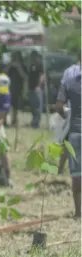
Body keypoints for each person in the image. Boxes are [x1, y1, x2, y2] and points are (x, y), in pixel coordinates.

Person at [55, 60, 81, 218]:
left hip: (76, 132)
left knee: (78, 175)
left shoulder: (69, 81)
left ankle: (79, 213)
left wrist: (67, 116)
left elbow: (59, 106)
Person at [5, 51, 27, 127]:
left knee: (15, 106)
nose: (15, 59)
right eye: (14, 57)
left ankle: (14, 121)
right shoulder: (10, 66)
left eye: (17, 57)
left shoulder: (23, 66)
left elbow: (24, 76)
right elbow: (4, 73)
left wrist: (18, 67)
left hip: (18, 88)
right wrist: (10, 65)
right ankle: (6, 120)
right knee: (7, 104)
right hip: (9, 87)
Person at [26, 50, 45, 129]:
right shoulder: (30, 65)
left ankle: (36, 123)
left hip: (37, 89)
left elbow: (42, 76)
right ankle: (34, 122)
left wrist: (38, 86)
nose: (32, 57)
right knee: (33, 107)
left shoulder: (39, 64)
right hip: (31, 88)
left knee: (37, 107)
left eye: (33, 56)